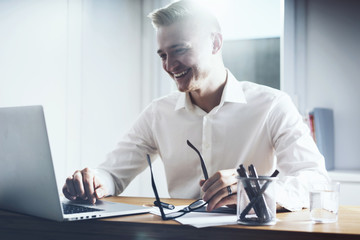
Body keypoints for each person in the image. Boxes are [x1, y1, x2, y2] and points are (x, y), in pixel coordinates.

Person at [63, 0, 329, 212]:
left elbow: (316, 181)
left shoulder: (272, 105)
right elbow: (113, 173)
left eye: (179, 50)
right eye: (163, 55)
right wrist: (93, 182)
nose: (168, 66)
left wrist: (251, 187)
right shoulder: (158, 113)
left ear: (215, 43)